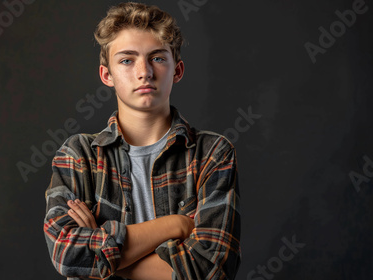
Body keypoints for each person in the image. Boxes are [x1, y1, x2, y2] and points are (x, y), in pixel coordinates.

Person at [43, 2, 241, 280]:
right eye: (127, 60)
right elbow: (67, 255)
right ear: (106, 75)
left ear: (178, 70)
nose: (144, 72)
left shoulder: (212, 153)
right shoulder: (79, 155)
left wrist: (104, 261)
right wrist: (176, 225)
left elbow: (210, 270)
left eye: (158, 58)